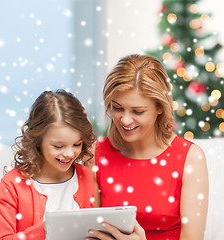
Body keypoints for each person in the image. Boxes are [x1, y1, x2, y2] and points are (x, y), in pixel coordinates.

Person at [85, 54, 208, 240]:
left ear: (160, 107)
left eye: (138, 111)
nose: (125, 120)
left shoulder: (189, 158)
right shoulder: (96, 154)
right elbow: (89, 231)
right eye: (117, 108)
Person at [0, 89, 96, 240]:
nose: (69, 154)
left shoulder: (84, 175)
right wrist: (45, 229)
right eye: (58, 146)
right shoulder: (11, 186)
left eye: (76, 144)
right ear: (38, 141)